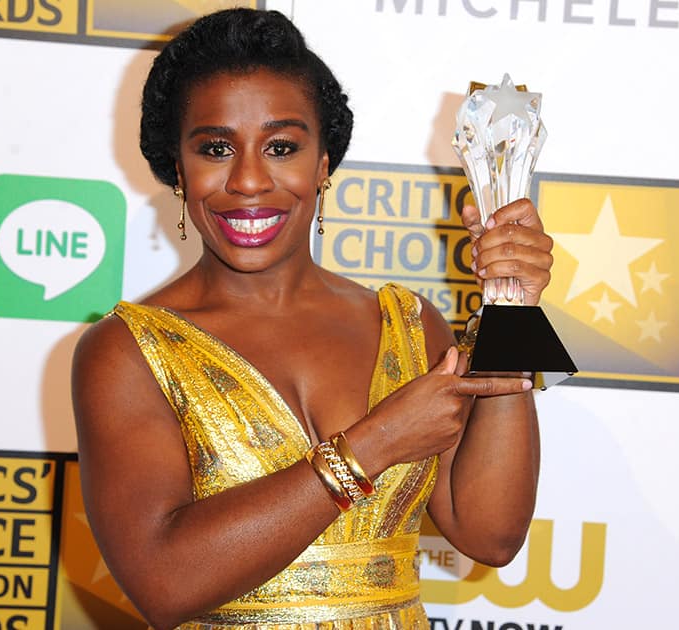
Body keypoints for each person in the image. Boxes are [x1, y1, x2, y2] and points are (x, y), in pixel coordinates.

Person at [71, 8, 553, 630]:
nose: (247, 179)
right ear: (178, 170)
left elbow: (492, 535)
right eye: (215, 148)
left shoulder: (408, 324)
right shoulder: (128, 351)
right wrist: (376, 442)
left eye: (282, 147)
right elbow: (163, 584)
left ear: (324, 163)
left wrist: (512, 303)